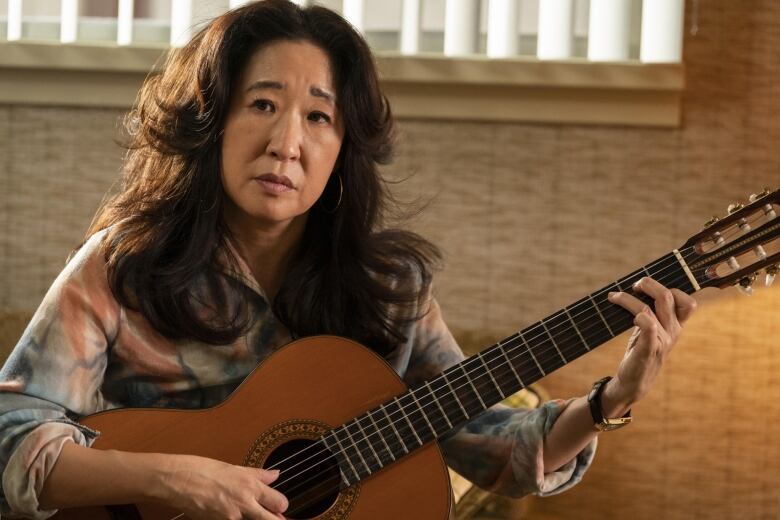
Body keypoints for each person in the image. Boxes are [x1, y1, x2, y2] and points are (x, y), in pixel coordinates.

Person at [0, 1, 697, 519]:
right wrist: (175, 478)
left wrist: (612, 400)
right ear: (211, 124)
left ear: (341, 154)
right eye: (262, 104)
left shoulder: (391, 289)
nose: (286, 142)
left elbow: (496, 448)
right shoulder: (126, 264)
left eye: (319, 117)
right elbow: (12, 439)